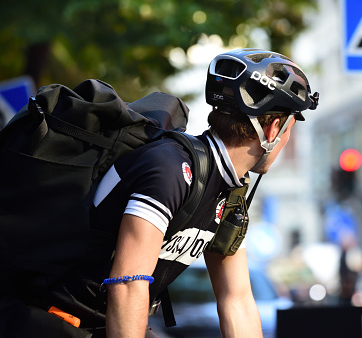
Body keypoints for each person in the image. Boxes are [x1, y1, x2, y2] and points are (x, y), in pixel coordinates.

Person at [70, 48, 318, 337]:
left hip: (103, 323)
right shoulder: (172, 168)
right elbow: (128, 283)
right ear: (274, 129)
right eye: (290, 126)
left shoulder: (231, 193)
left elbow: (236, 300)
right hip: (57, 319)